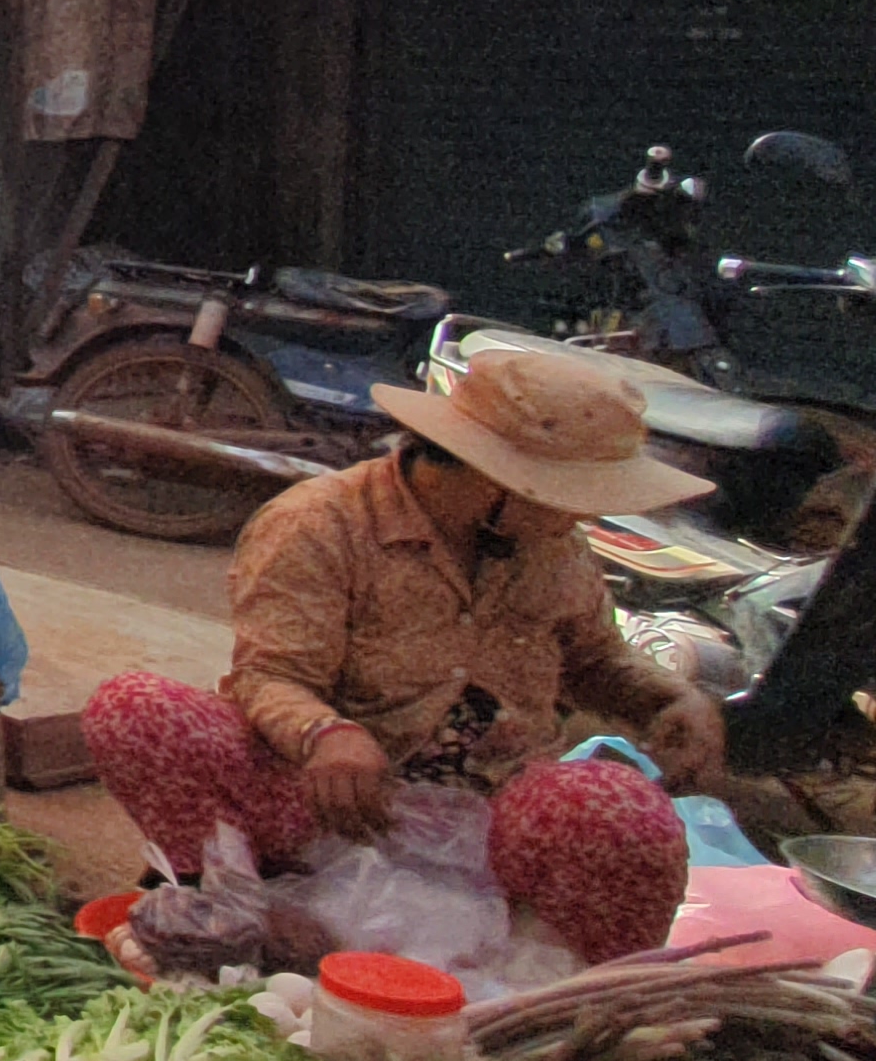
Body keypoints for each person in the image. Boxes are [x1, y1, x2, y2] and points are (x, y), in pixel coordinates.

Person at [85, 347, 721, 965]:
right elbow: (271, 675)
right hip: (328, 804)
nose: (579, 517)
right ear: (493, 482)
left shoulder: (555, 546)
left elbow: (593, 660)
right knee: (137, 709)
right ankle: (237, 911)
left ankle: (598, 993)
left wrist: (668, 697)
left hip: (491, 811)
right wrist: (325, 734)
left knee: (620, 811)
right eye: (571, 498)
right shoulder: (319, 523)